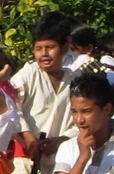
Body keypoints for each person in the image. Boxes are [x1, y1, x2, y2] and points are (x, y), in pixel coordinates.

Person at [11, 14, 73, 144]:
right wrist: (27, 137)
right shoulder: (28, 74)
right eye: (38, 49)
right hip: (26, 156)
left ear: (65, 48)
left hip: (63, 156)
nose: (44, 54)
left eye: (50, 47)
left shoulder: (74, 80)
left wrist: (61, 141)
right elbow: (9, 107)